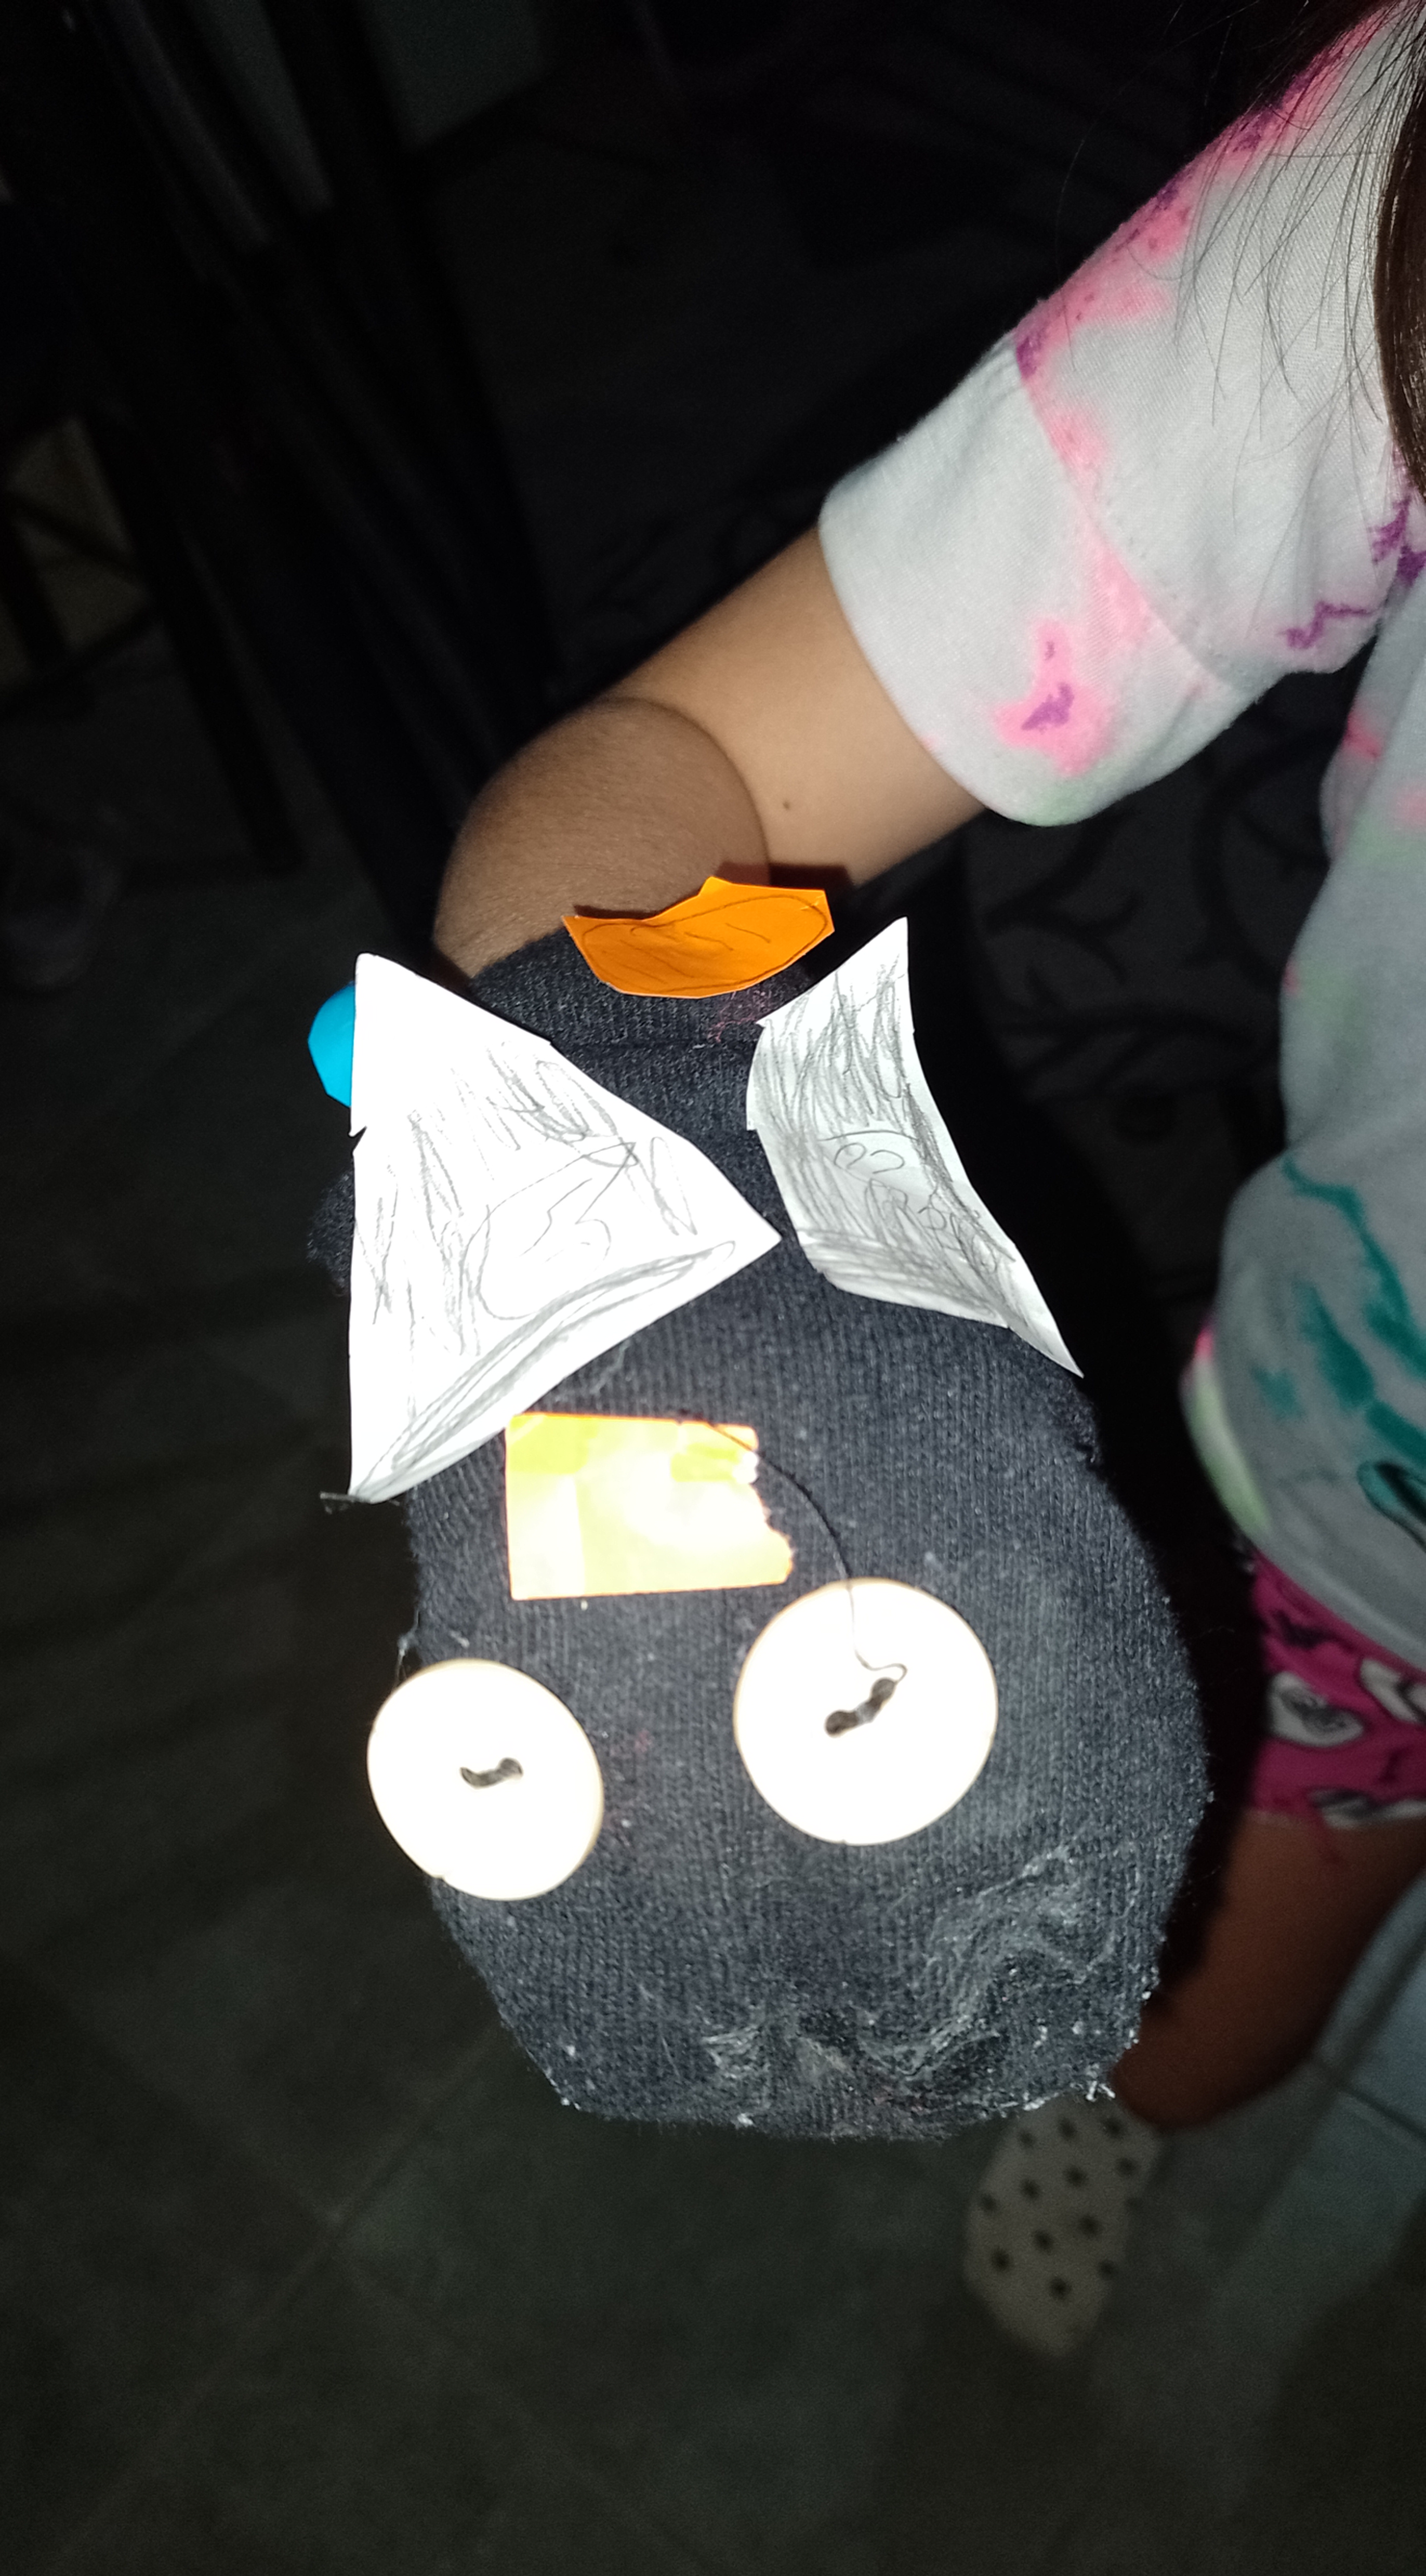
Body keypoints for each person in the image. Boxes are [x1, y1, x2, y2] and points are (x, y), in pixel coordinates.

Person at [427, 0, 1426, 2242]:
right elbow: (691, 780)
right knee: (1182, 2033)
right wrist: (631, 1260)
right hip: (1359, 1522)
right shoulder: (1393, 187)